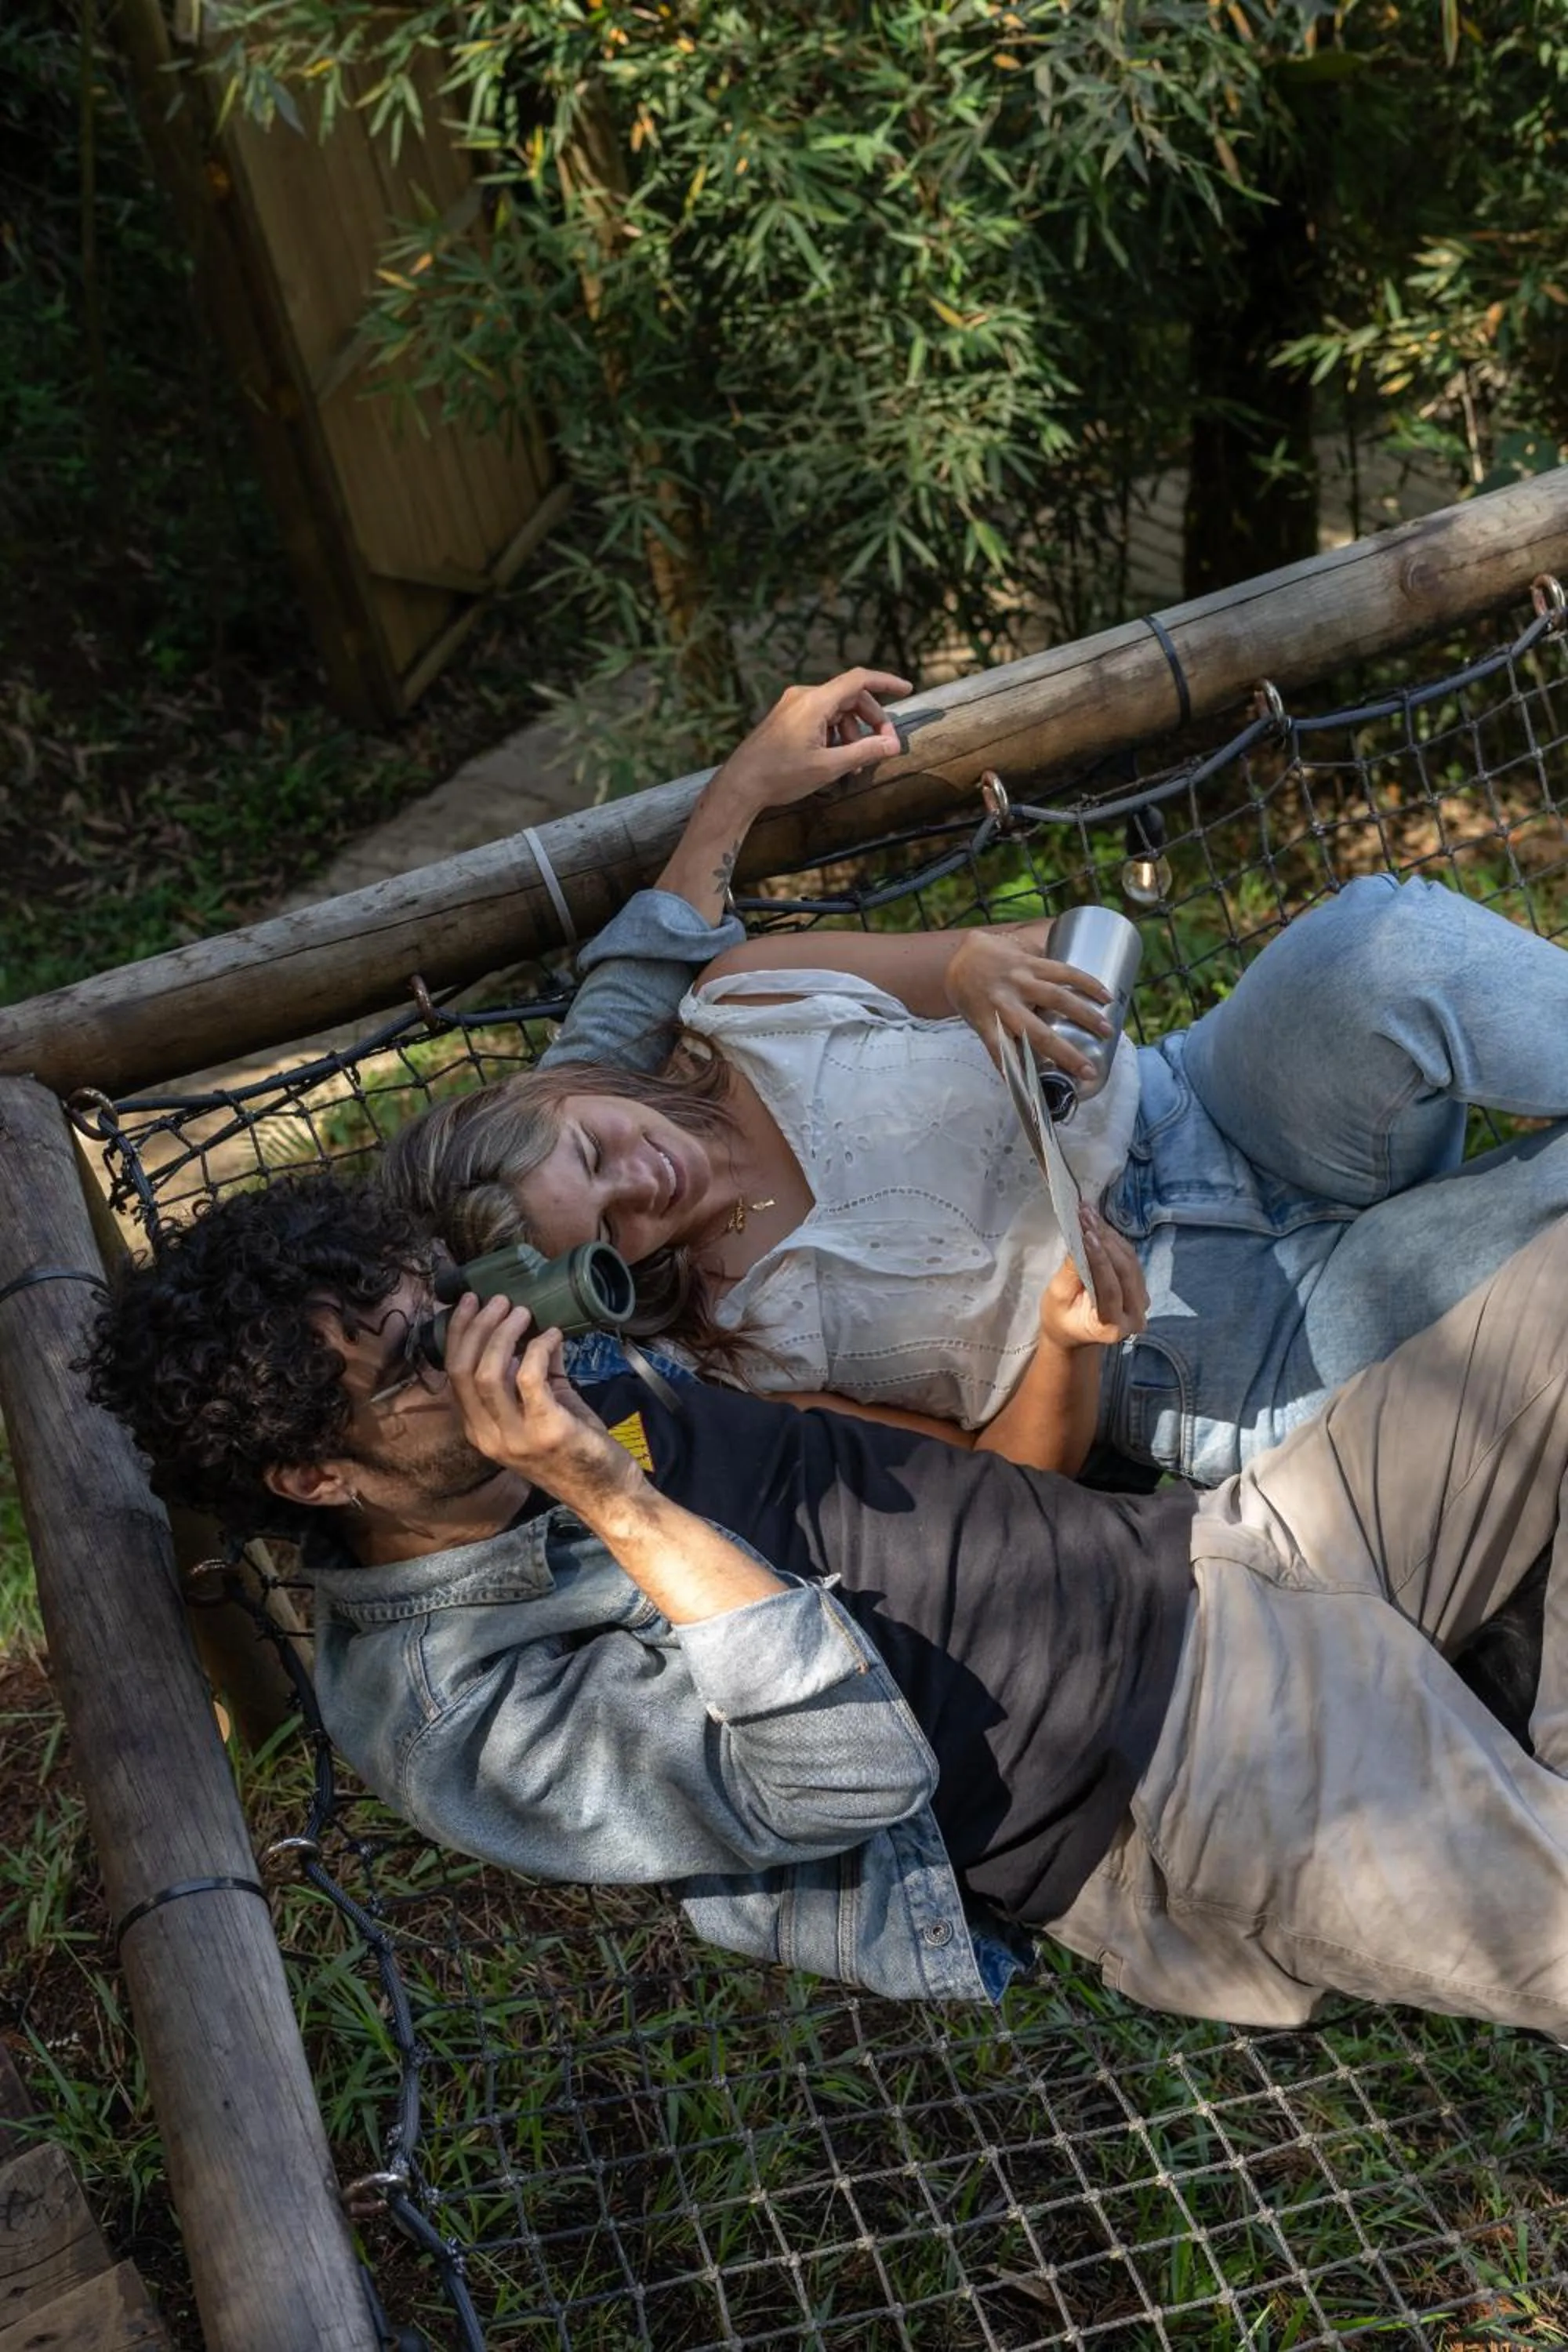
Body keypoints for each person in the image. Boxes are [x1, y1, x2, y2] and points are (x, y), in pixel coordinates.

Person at [86, 1172, 1568, 2034]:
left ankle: (1516, 1719)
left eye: (450, 1296)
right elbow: (850, 1774)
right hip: (1191, 1779)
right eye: (420, 1359)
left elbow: (618, 1037)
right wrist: (609, 1496)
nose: (492, 1339)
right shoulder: (460, 1717)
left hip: (1229, 1547)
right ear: (316, 1480)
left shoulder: (543, 1371)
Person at [382, 670, 1568, 1487]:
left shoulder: (740, 1001)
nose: (642, 1180)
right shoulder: (721, 1370)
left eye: (597, 1150)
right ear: (599, 1280)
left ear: (573, 1086)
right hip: (1217, 1348)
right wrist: (1064, 1343)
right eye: (613, 1232)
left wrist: (977, 970)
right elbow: (997, 1477)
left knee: (1379, 947)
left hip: (1209, 1103)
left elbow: (1067, 948)